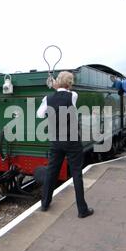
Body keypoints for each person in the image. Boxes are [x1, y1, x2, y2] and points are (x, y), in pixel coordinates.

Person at [36, 71, 94, 218]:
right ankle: (82, 210)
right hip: (72, 141)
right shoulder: (73, 96)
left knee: (51, 172)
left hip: (56, 141)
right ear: (70, 83)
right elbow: (65, 92)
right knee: (76, 174)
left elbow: (40, 114)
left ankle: (45, 204)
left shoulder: (47, 98)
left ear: (57, 82)